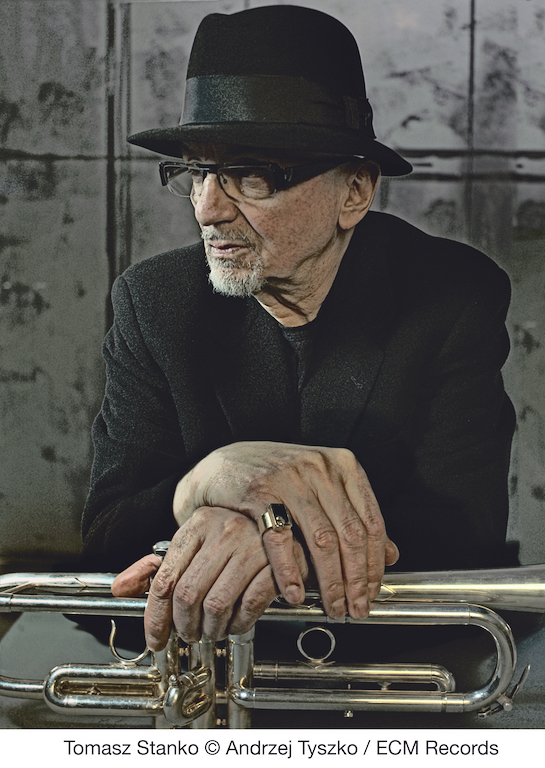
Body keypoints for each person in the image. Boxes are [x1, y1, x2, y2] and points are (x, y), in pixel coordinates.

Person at [81, 5, 515, 653]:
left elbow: (464, 538)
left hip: (393, 665)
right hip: (212, 671)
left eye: (251, 174)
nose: (207, 208)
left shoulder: (453, 297)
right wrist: (203, 484)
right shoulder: (152, 303)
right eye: (197, 171)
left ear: (354, 192)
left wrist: (264, 528)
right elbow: (104, 550)